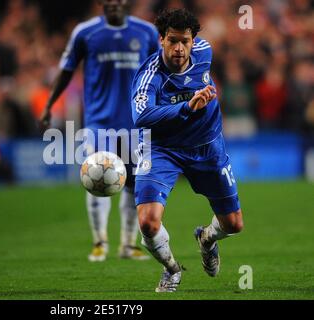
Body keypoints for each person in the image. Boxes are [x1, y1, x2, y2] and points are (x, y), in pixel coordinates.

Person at [131, 8, 244, 292]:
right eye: (172, 41)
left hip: (207, 146)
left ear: (194, 41)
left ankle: (206, 238)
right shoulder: (150, 75)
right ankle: (171, 269)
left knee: (233, 224)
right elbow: (141, 116)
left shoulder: (205, 51)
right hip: (162, 149)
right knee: (147, 222)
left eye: (185, 41)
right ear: (161, 40)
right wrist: (186, 106)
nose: (179, 48)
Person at [40, 0, 159, 262]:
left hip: (137, 123)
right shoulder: (85, 32)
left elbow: (159, 73)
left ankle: (128, 245)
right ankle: (99, 242)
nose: (115, 3)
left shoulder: (147, 33)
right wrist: (50, 104)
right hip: (99, 123)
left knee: (133, 183)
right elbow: (67, 71)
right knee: (96, 179)